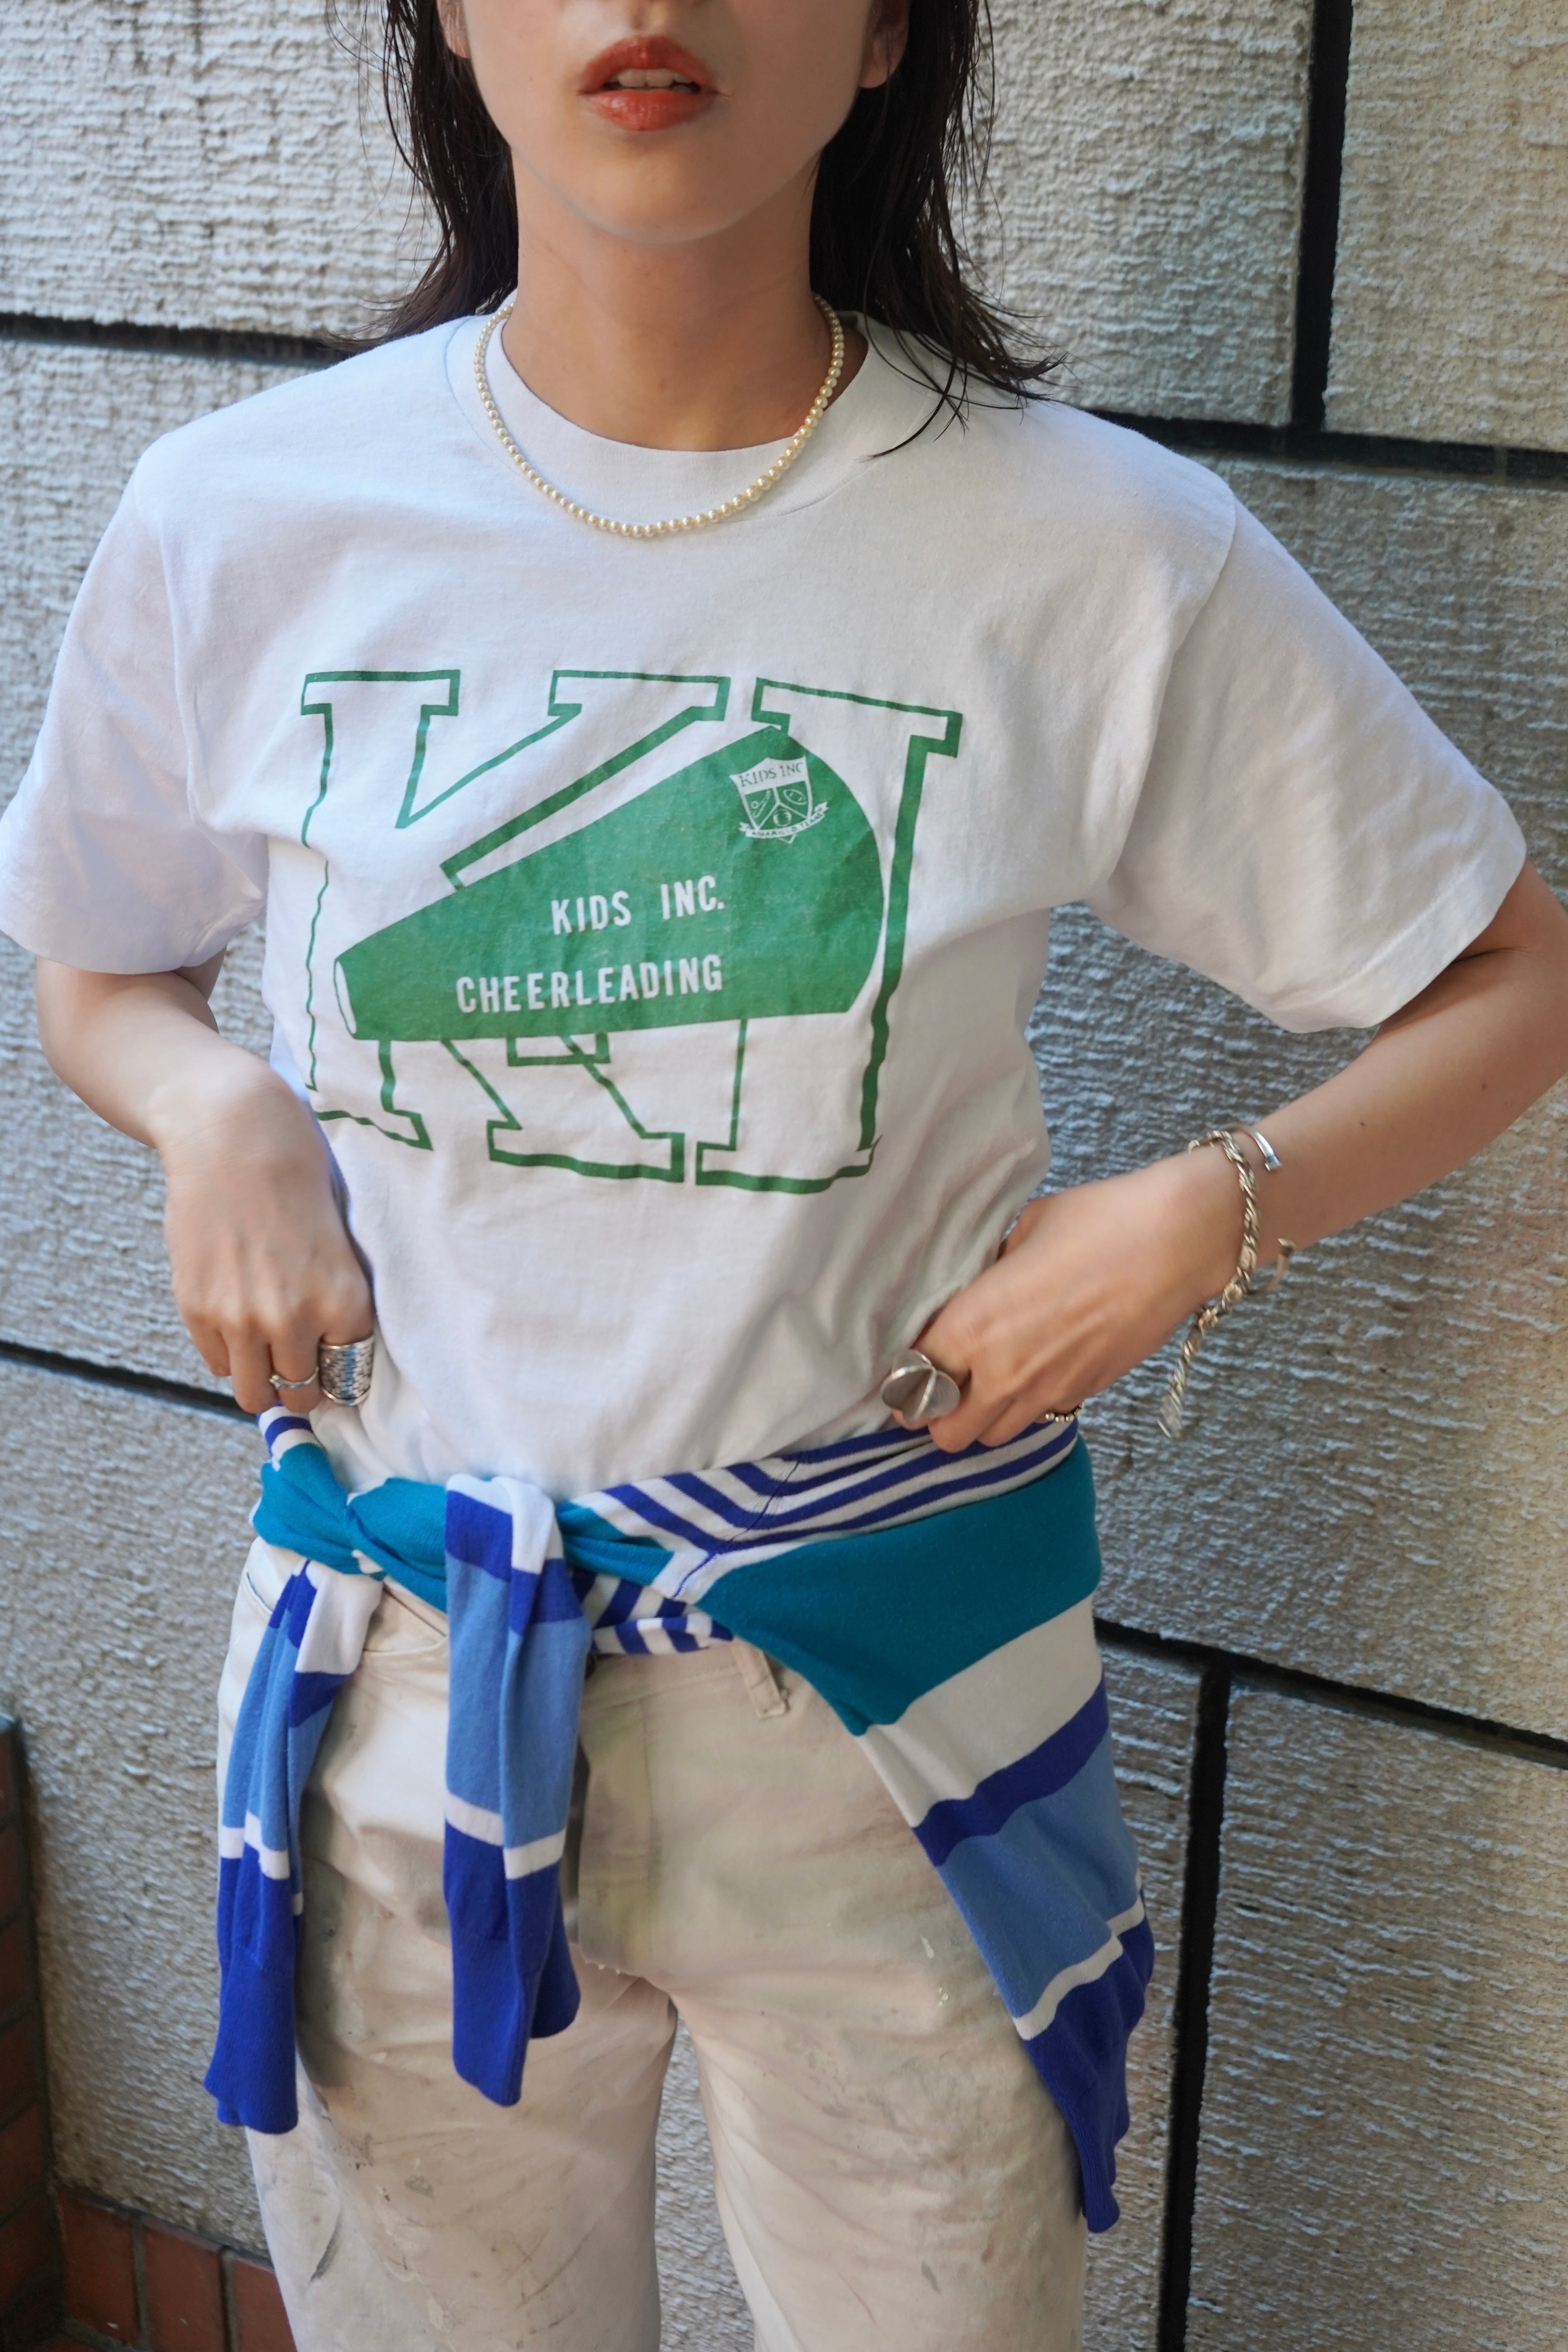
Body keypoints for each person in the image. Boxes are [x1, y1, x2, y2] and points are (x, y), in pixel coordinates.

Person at [3, 0, 1566, 2345]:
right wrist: (204, 1102)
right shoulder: (245, 516)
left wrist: (1199, 1211)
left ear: (887, 33)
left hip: (894, 1702)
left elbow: (1507, 977)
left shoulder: (1089, 546)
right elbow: (100, 961)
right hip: (401, 1683)